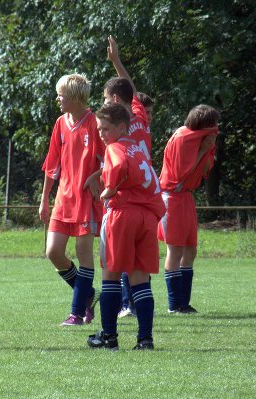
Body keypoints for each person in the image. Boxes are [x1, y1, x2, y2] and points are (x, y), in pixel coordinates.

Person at [87, 102, 165, 350]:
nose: (102, 134)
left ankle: (109, 336)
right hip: (147, 217)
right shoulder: (139, 149)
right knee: (140, 278)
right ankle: (145, 339)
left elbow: (118, 166)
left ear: (122, 127)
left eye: (106, 129)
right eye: (99, 129)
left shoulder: (115, 147)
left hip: (123, 214)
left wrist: (109, 188)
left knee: (110, 274)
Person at [39, 73, 104, 326]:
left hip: (85, 199)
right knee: (53, 252)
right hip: (63, 199)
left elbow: (112, 158)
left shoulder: (95, 123)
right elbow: (52, 164)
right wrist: (45, 199)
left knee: (83, 253)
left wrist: (96, 176)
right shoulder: (60, 123)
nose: (58, 98)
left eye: (62, 94)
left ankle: (76, 313)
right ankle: (87, 292)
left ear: (76, 97)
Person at [104, 36, 154, 319]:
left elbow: (118, 166)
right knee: (140, 263)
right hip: (149, 196)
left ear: (113, 100)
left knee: (119, 257)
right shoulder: (140, 118)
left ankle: (126, 306)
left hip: (127, 196)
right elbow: (131, 91)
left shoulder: (116, 129)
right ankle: (138, 310)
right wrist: (116, 62)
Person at [158, 105, 219, 314]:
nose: (215, 130)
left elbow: (203, 171)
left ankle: (184, 302)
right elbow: (183, 173)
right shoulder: (183, 138)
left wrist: (207, 150)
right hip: (172, 198)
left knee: (190, 249)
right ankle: (174, 305)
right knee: (174, 250)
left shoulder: (197, 138)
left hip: (186, 197)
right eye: (211, 126)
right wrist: (203, 149)